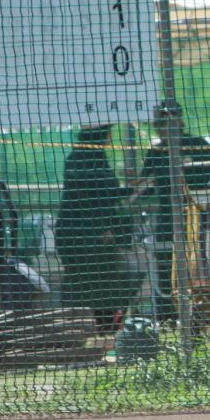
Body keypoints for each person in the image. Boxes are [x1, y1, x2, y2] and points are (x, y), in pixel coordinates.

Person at [134, 120, 210, 322]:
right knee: (165, 261)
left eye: (165, 123)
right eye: (159, 124)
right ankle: (168, 314)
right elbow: (144, 183)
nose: (161, 128)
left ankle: (201, 315)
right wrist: (139, 187)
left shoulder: (196, 144)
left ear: (179, 122)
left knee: (200, 259)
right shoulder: (157, 150)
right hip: (168, 218)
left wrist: (201, 191)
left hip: (198, 216)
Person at [55, 125, 135, 333]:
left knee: (94, 279)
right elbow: (92, 197)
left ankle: (101, 326)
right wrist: (103, 227)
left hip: (78, 231)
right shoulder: (87, 158)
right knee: (93, 280)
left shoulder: (86, 156)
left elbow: (104, 192)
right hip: (83, 233)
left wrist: (132, 188)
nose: (111, 137)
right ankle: (87, 327)